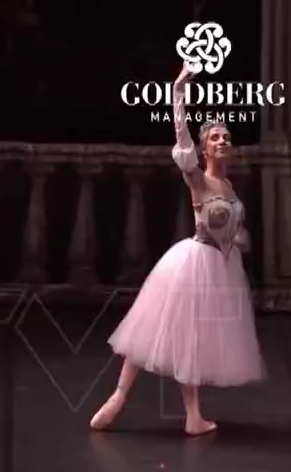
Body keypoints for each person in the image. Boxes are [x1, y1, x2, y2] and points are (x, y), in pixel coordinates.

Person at [89, 62, 264, 435]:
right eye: (215, 137)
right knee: (153, 327)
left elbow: (236, 230)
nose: (222, 141)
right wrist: (178, 93)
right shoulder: (196, 178)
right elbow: (181, 138)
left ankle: (193, 416)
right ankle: (118, 397)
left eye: (225, 137)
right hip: (192, 262)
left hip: (221, 268)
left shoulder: (229, 189)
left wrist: (239, 239)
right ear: (204, 146)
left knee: (193, 340)